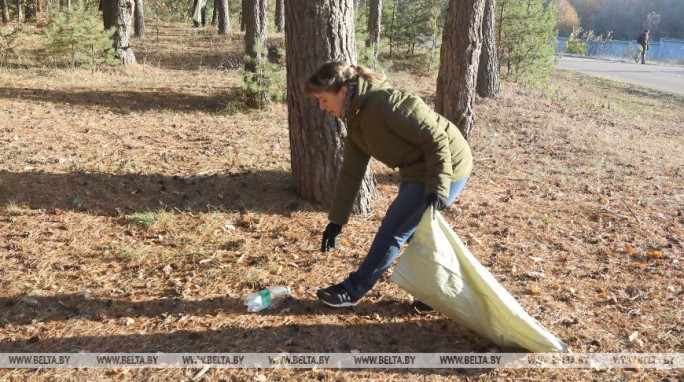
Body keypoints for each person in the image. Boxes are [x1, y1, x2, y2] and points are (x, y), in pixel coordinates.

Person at [304, 61, 473, 311]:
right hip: (416, 169)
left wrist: (438, 188)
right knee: (414, 234)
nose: (322, 107)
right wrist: (337, 220)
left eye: (323, 99)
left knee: (393, 231)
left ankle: (352, 290)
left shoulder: (385, 104)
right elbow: (351, 171)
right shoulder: (355, 117)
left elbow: (436, 139)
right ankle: (438, 292)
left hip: (448, 165)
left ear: (341, 91)